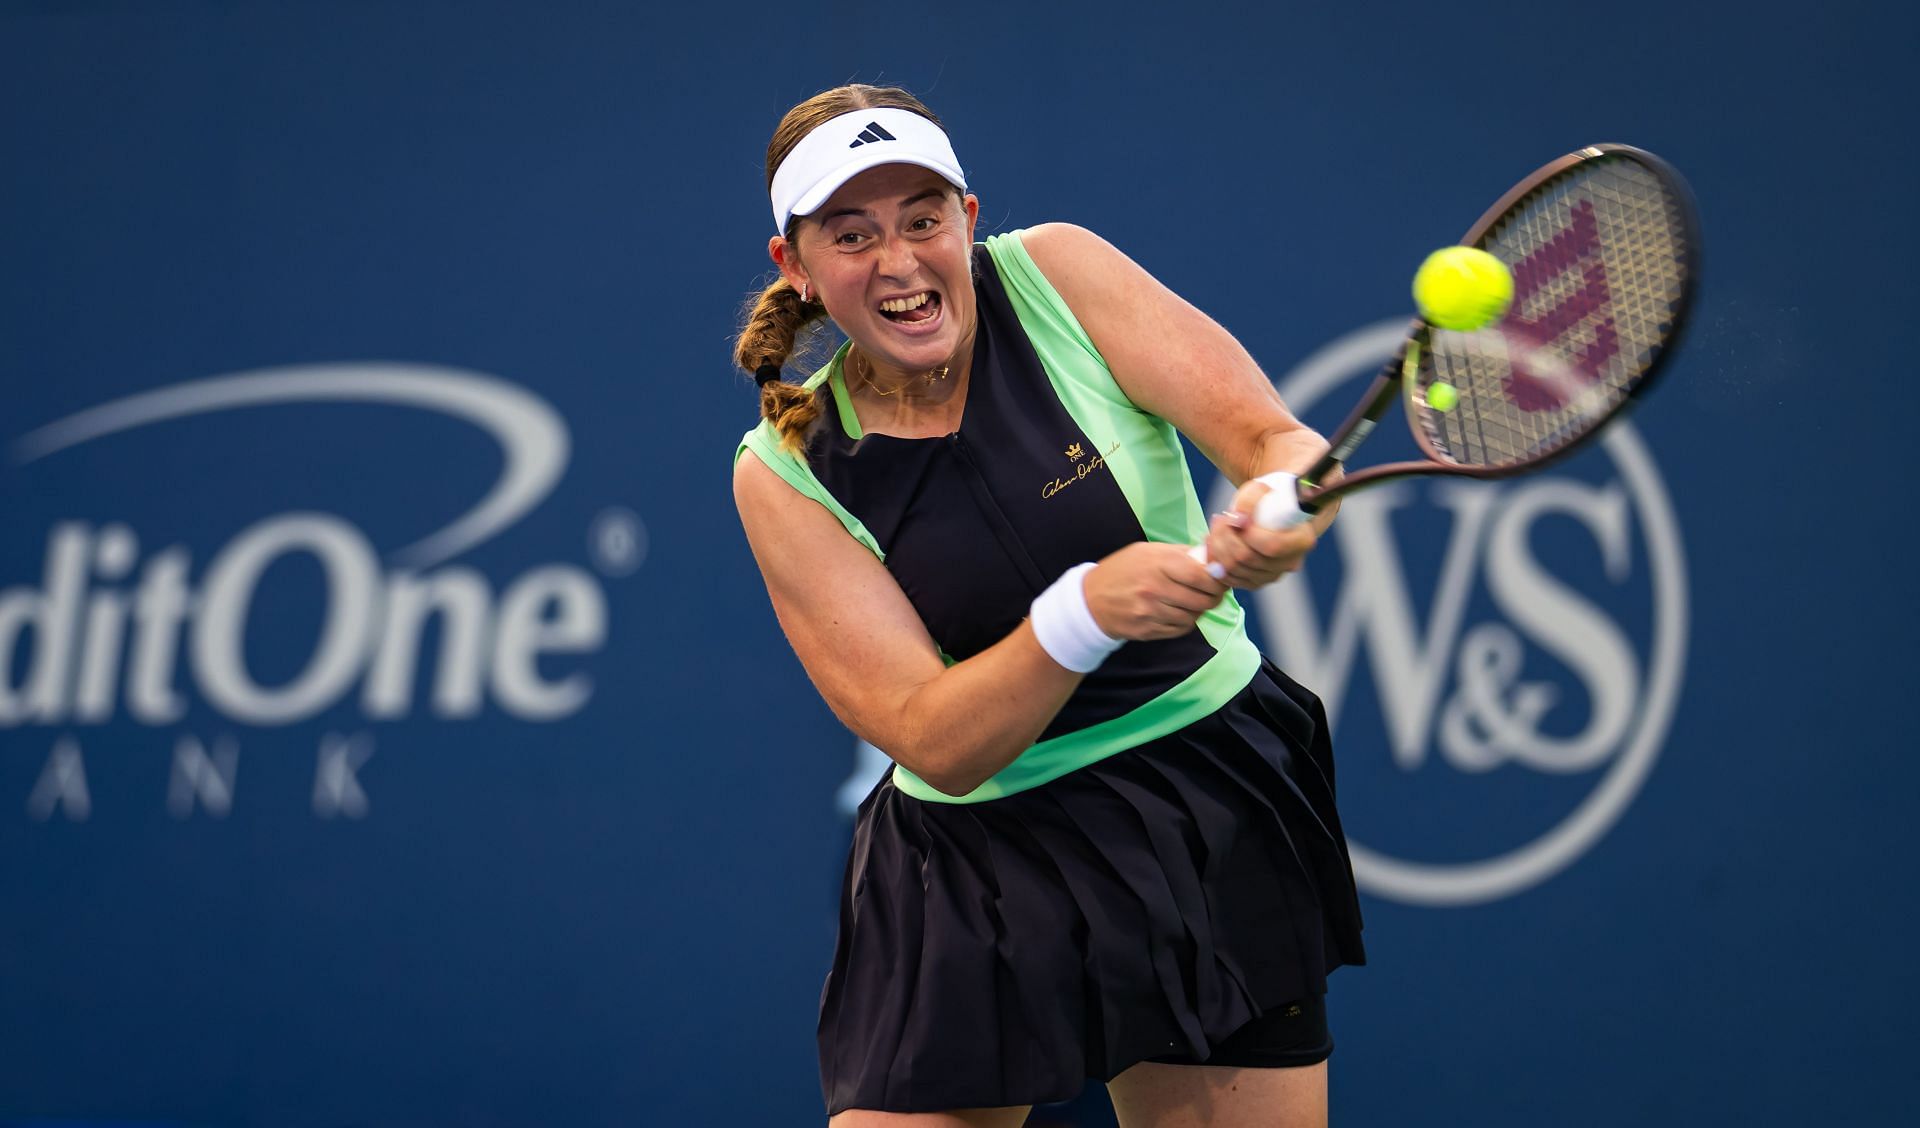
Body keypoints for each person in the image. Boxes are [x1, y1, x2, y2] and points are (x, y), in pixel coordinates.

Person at [732, 85, 1365, 1128]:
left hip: (1203, 798)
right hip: (973, 867)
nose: (898, 261)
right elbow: (936, 740)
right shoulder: (783, 469)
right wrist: (1084, 612)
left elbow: (1274, 442)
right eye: (852, 235)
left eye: (923, 219)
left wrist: (1283, 505)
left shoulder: (1061, 275)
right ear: (794, 266)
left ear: (968, 221)